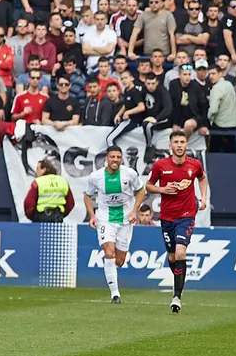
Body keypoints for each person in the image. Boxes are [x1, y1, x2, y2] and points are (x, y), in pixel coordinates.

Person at [146, 130, 208, 313]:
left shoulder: (194, 165)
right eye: (176, 142)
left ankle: (176, 296)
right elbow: (148, 186)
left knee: (181, 252)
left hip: (187, 215)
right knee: (172, 256)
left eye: (182, 142)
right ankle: (178, 280)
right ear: (170, 146)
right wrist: (162, 190)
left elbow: (202, 178)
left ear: (186, 145)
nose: (179, 145)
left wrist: (203, 198)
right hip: (166, 217)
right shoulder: (160, 165)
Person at [84, 146, 145, 304]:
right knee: (108, 252)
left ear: (122, 159)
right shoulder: (95, 177)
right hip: (105, 219)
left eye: (118, 157)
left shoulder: (129, 174)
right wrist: (92, 216)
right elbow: (87, 195)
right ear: (106, 158)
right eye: (112, 157)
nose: (115, 160)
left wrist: (134, 211)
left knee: (119, 261)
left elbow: (141, 190)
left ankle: (114, 285)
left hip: (125, 219)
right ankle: (115, 294)